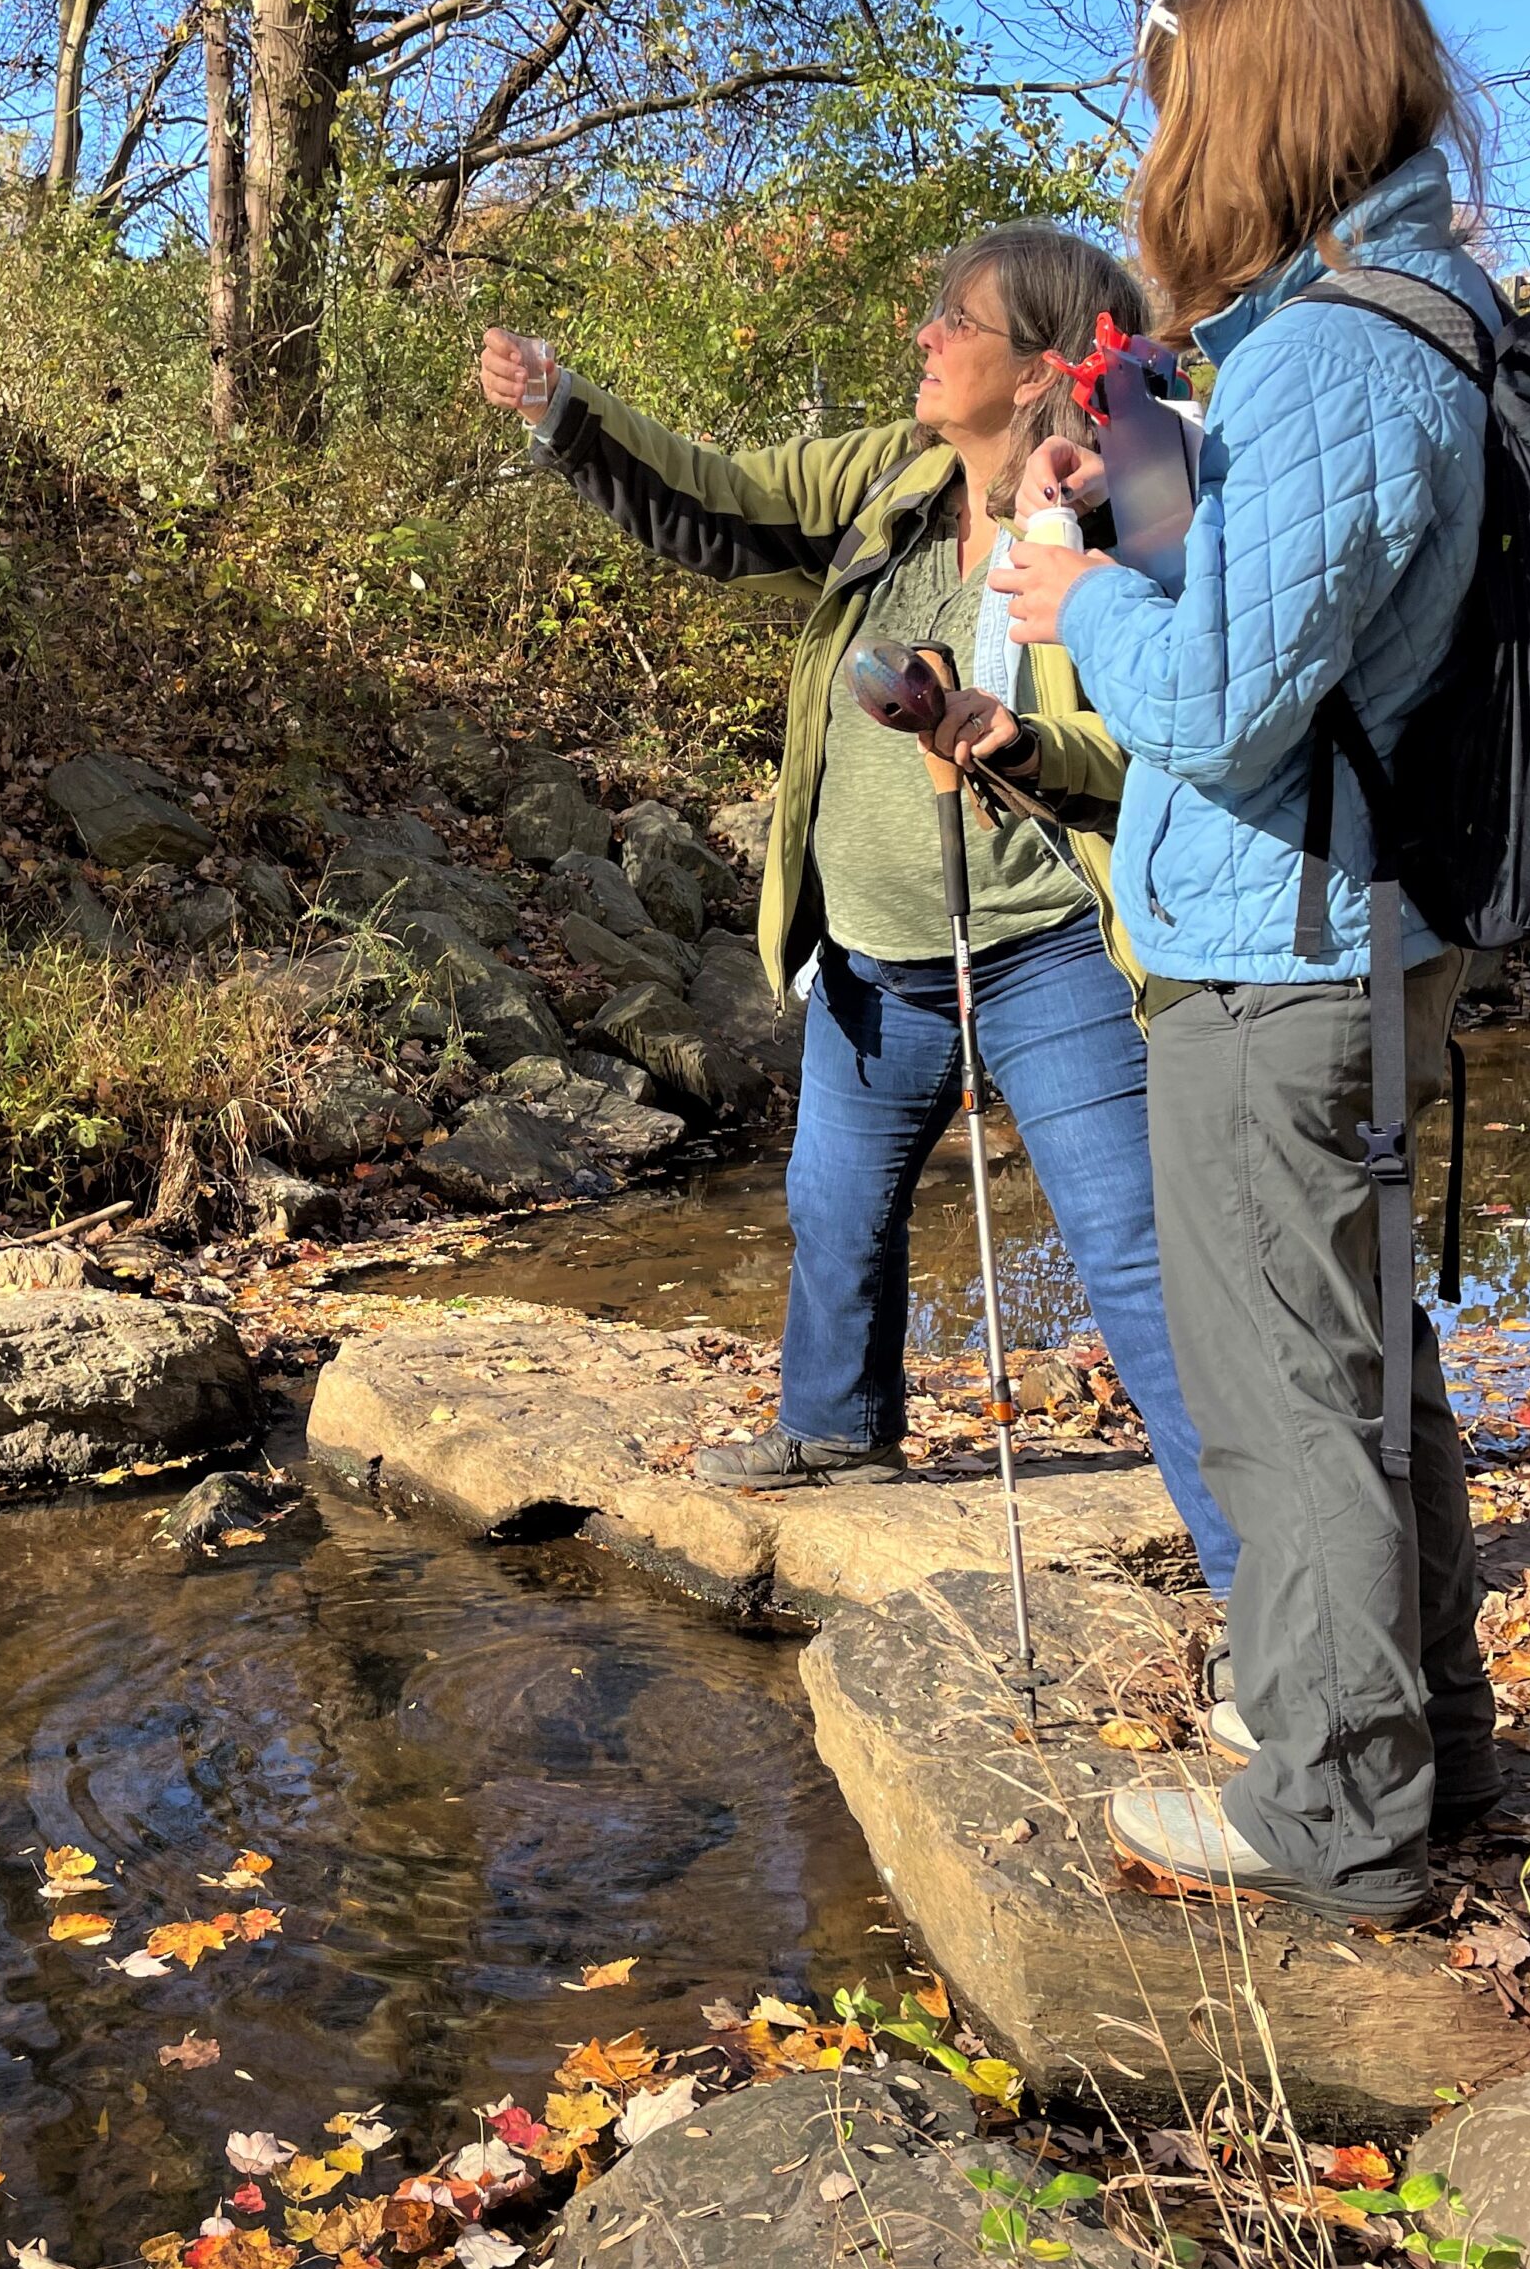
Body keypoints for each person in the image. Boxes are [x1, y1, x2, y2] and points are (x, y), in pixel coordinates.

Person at [477, 223, 1240, 1595]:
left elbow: (1164, 745)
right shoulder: (888, 481)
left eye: (954, 320)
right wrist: (562, 409)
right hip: (875, 948)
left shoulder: (1130, 505)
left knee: (1132, 1262)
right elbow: (718, 505)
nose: (923, 337)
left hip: (1051, 947)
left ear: (1037, 368)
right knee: (833, 1206)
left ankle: (1261, 1588)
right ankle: (837, 1434)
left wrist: (1014, 745)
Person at [993, 0, 1502, 1925]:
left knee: (1286, 1380)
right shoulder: (1399, 319)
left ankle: (1338, 1804)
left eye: (1180, 90)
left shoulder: (1333, 355)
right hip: (1353, 932)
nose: (1159, 134)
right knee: (1367, 1360)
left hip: (1278, 958)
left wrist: (1068, 598)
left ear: (1260, 100)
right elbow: (1288, 601)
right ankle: (1409, 1735)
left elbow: (1210, 697)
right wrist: (1130, 492)